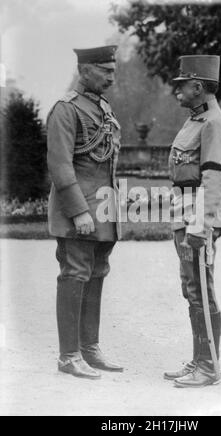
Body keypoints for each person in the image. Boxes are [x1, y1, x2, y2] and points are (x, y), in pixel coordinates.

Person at [47, 46, 123, 379]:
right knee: (75, 274)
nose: (111, 76)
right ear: (85, 70)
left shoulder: (102, 107)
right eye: (105, 70)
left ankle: (89, 348)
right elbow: (61, 165)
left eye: (113, 69)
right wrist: (79, 211)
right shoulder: (66, 110)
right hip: (78, 212)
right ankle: (69, 355)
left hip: (102, 211)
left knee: (96, 274)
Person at [165, 55, 221, 388]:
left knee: (201, 288)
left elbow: (214, 177)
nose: (177, 91)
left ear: (199, 87)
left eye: (181, 86)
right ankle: (200, 359)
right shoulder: (196, 120)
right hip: (185, 212)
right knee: (192, 287)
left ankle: (209, 366)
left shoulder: (213, 123)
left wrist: (200, 225)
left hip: (197, 216)